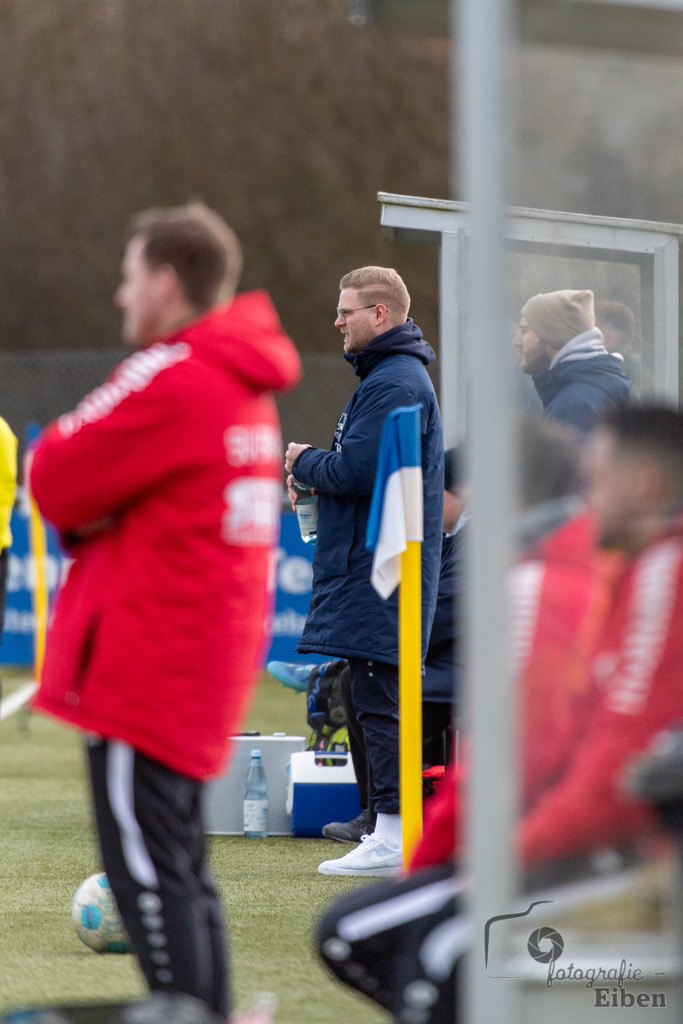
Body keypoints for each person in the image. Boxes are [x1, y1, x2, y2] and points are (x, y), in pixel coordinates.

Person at [27, 202, 302, 1023]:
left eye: (129, 275)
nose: (120, 295)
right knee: (180, 867)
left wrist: (96, 512)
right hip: (195, 659)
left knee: (147, 871)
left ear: (166, 281)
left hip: (143, 663)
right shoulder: (240, 381)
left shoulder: (174, 373)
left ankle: (185, 1012)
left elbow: (55, 476)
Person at [316, 412, 639, 1023]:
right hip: (588, 837)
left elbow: (517, 752)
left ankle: (390, 824)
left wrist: (441, 860)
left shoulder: (543, 580)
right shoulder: (582, 561)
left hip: (572, 848)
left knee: (359, 935)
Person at [285, 266, 444, 876]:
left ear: (380, 314)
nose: (337, 321)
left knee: (380, 697)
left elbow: (356, 471)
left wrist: (304, 460)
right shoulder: (388, 377)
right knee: (368, 692)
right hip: (376, 565)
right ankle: (387, 826)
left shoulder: (396, 380)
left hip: (384, 570)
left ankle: (394, 832)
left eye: (346, 311)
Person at [273, 447, 466, 844]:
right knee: (362, 674)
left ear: (463, 492)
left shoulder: (477, 539)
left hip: (462, 673)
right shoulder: (455, 537)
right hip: (445, 662)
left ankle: (383, 816)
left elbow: (441, 616)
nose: (428, 502)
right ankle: (377, 813)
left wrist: (381, 648)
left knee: (369, 678)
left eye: (436, 492)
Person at [514, 288, 631, 431]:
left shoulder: (576, 405)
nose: (517, 341)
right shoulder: (581, 391)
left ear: (551, 335)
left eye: (524, 330)